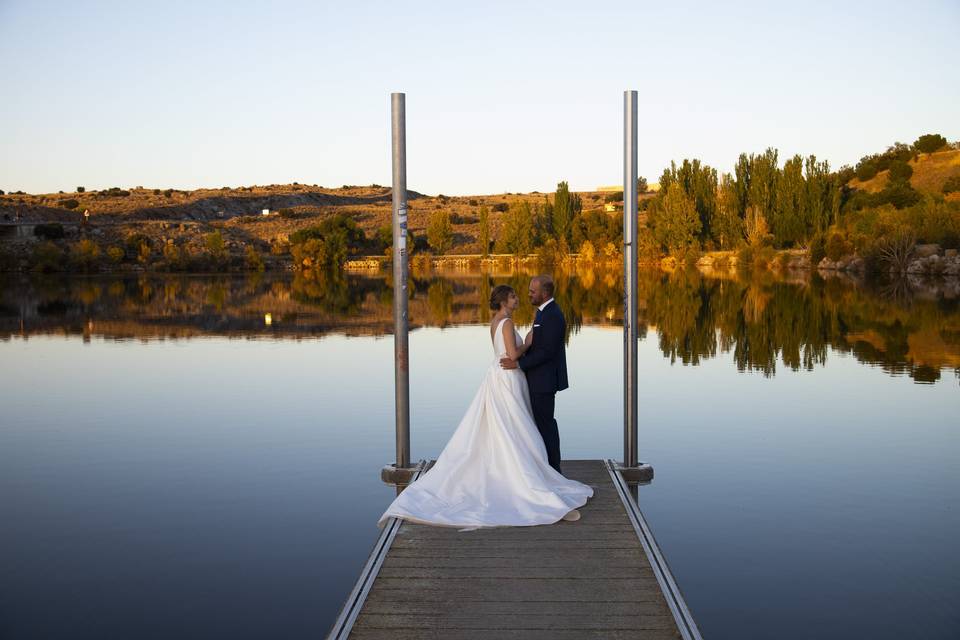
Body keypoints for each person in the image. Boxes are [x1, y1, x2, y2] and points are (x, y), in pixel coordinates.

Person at [377, 284, 592, 529]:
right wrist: (529, 342)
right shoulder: (507, 323)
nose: (517, 298)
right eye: (513, 296)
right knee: (515, 427)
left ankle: (510, 465)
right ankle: (522, 474)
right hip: (508, 378)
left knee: (506, 426)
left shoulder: (495, 321)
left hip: (497, 377)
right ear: (503, 301)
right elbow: (512, 355)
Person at [499, 275, 567, 474]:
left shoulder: (552, 315)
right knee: (538, 424)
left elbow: (547, 352)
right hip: (537, 379)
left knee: (546, 424)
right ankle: (544, 467)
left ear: (544, 293)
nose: (528, 294)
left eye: (532, 291)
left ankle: (554, 469)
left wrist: (518, 364)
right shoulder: (542, 313)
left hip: (544, 381)